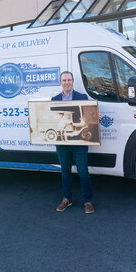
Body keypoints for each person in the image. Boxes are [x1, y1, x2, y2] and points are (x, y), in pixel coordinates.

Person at [52, 71, 94, 214]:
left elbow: (89, 115)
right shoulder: (55, 99)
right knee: (65, 172)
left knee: (83, 172)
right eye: (64, 80)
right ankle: (66, 199)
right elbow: (51, 120)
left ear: (73, 81)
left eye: (69, 80)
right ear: (60, 82)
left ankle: (87, 201)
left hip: (79, 143)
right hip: (62, 143)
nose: (67, 82)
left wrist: (96, 115)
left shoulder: (82, 97)